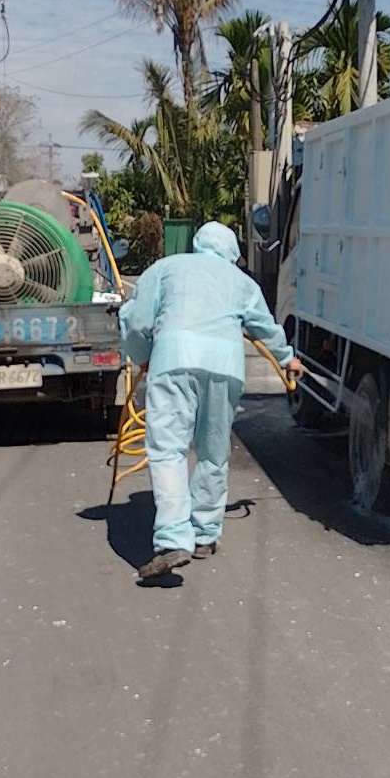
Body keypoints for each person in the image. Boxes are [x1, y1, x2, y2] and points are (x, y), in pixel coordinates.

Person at [119, 221, 303, 581]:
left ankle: (174, 539)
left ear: (197, 244)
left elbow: (137, 320)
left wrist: (143, 355)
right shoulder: (242, 282)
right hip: (225, 367)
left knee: (168, 450)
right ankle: (204, 534)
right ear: (233, 253)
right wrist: (287, 359)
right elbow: (265, 326)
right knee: (213, 451)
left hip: (173, 361)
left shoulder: (167, 268)